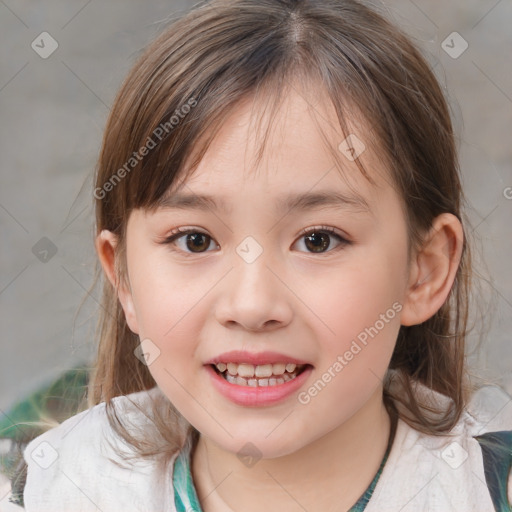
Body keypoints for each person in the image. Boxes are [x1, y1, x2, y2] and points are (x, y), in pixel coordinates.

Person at [17, 0, 512, 510]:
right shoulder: (51, 489)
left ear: (423, 271)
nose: (252, 306)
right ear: (123, 278)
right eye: (195, 240)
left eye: (319, 239)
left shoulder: (487, 490)